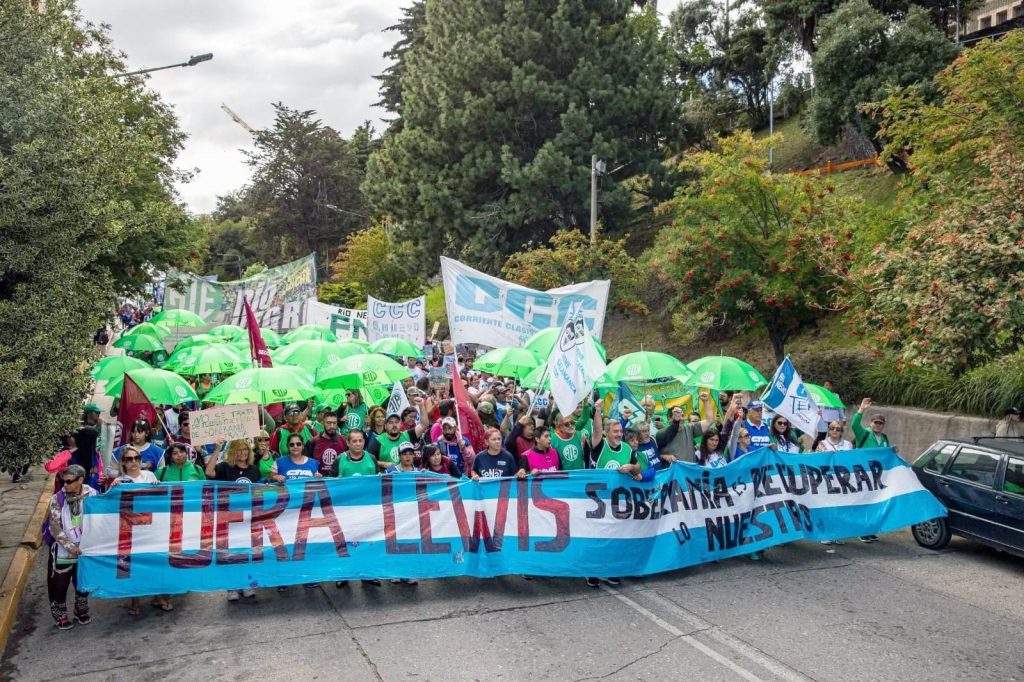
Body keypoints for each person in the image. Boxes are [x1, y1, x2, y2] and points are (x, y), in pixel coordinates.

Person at [586, 405, 649, 588]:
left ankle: (610, 570)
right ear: (606, 433)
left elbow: (638, 468)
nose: (619, 434)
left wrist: (631, 468)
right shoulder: (599, 445)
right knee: (596, 538)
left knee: (614, 537)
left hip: (617, 502)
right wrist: (598, 410)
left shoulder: (628, 450)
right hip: (596, 501)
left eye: (621, 431)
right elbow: (596, 429)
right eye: (615, 431)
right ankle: (592, 571)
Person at [110, 447, 168, 613]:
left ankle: (157, 596)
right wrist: (113, 489)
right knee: (132, 566)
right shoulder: (120, 481)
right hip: (130, 530)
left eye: (136, 458)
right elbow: (110, 505)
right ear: (123, 463)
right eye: (129, 459)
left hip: (150, 528)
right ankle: (135, 600)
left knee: (154, 562)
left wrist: (158, 487)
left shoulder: (149, 476)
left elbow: (160, 499)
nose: (133, 461)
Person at [45, 465, 97, 629]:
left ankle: (81, 608)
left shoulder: (93, 494)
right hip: (63, 549)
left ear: (80, 480)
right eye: (63, 481)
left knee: (83, 581)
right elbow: (54, 526)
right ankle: (60, 614)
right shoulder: (57, 499)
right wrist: (69, 546)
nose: (64, 485)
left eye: (68, 482)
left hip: (85, 548)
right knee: (59, 584)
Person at [329, 430, 383, 590]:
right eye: (354, 441)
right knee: (344, 543)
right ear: (348, 443)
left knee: (367, 542)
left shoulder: (371, 458)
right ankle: (343, 574)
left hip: (368, 509)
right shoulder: (340, 460)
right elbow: (331, 483)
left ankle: (367, 574)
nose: (358, 444)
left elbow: (379, 481)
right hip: (346, 510)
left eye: (360, 441)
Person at [851, 398, 887, 543]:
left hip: (877, 477)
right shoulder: (864, 433)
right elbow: (854, 424)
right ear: (871, 423)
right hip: (862, 474)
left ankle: (870, 530)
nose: (878, 425)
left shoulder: (884, 438)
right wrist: (861, 409)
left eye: (880, 423)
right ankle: (861, 531)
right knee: (863, 502)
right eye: (875, 422)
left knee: (874, 503)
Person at [368, 397, 428, 470]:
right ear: (385, 426)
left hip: (406, 477)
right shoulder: (378, 440)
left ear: (400, 424)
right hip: (388, 478)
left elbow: (424, 425)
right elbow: (369, 460)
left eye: (396, 422)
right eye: (390, 422)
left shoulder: (407, 435)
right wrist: (383, 464)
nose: (394, 425)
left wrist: (421, 406)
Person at [655, 398, 714, 464]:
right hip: (674, 473)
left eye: (682, 415)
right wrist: (664, 456)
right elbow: (655, 456)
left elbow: (709, 420)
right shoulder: (661, 434)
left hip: (691, 471)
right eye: (676, 415)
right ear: (669, 418)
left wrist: (706, 401)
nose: (681, 418)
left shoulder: (689, 428)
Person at [305, 410, 348, 477]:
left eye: (334, 423)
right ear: (323, 423)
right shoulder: (313, 441)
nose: (332, 426)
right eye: (328, 423)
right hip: (319, 481)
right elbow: (307, 462)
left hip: (338, 481)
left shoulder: (343, 441)